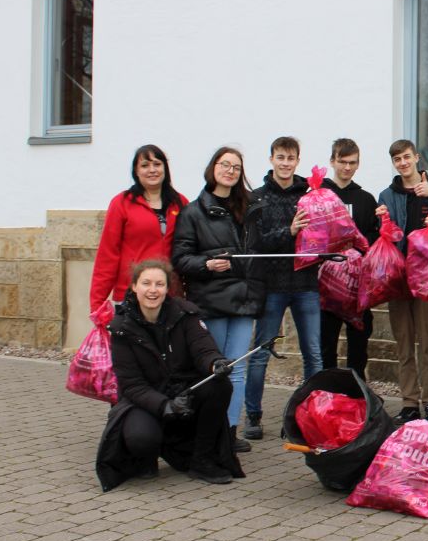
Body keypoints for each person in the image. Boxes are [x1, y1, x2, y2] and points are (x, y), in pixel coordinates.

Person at [96, 260, 243, 490]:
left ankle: (201, 459)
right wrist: (165, 405)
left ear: (167, 289)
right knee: (141, 439)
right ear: (134, 286)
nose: (153, 290)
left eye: (159, 284)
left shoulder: (185, 314)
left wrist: (215, 363)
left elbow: (203, 348)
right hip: (144, 400)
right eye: (146, 283)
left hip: (183, 390)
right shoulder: (120, 328)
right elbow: (132, 385)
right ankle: (146, 455)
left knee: (220, 385)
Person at [171, 146, 264, 452]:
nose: (230, 171)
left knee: (236, 368)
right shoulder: (193, 212)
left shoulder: (250, 209)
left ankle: (229, 429)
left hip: (244, 299)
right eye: (225, 165)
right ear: (213, 168)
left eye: (236, 167)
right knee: (214, 368)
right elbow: (181, 258)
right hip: (210, 300)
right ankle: (206, 431)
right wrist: (206, 265)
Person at [242, 137, 322, 442]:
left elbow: (324, 230)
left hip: (306, 285)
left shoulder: (311, 194)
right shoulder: (257, 198)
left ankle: (308, 416)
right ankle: (253, 415)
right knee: (260, 352)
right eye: (280, 157)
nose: (285, 163)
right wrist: (288, 232)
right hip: (271, 286)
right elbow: (256, 241)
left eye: (291, 158)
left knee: (313, 354)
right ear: (271, 158)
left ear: (298, 160)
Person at [375, 139, 428, 423]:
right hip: (399, 279)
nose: (403, 163)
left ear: (416, 158)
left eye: (406, 157)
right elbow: (385, 235)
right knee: (404, 343)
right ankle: (410, 402)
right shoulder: (387, 195)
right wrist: (382, 221)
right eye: (397, 159)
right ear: (394, 163)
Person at [90, 145, 188, 309]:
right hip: (131, 293)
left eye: (157, 164)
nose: (152, 170)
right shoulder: (122, 203)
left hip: (168, 294)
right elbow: (107, 255)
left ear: (165, 168)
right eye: (145, 165)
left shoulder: (180, 202)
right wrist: (97, 303)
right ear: (136, 171)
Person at [320, 138, 380, 378]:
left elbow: (373, 236)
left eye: (352, 162)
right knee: (326, 343)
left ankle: (356, 392)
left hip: (358, 286)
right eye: (342, 162)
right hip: (326, 285)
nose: (347, 167)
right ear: (332, 161)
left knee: (359, 341)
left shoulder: (365, 199)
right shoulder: (320, 195)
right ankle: (326, 391)